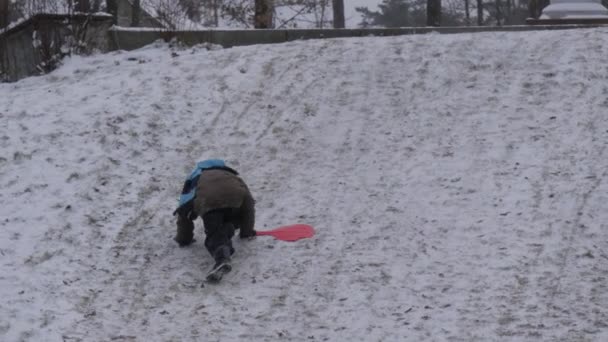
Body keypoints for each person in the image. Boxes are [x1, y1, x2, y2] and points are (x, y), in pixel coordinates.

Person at [173, 159, 256, 282]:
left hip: (209, 203)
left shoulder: (195, 178)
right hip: (235, 201)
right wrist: (247, 231)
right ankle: (227, 232)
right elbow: (248, 204)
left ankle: (222, 259)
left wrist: (184, 239)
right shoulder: (232, 176)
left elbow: (184, 211)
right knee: (230, 223)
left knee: (214, 234)